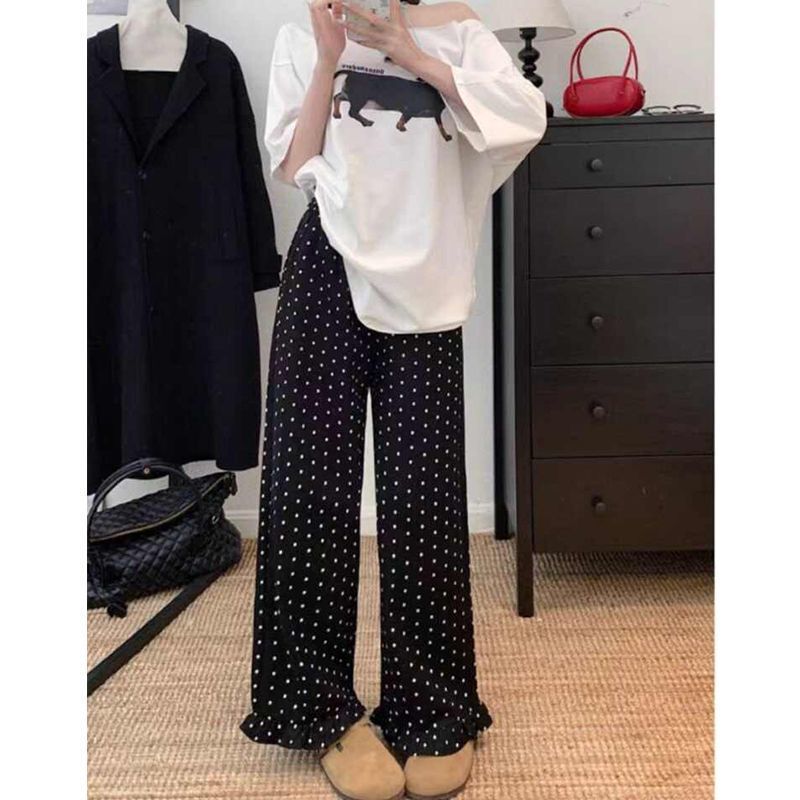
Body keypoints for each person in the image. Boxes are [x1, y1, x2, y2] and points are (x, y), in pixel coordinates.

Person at [240, 2, 547, 798]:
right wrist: (325, 59)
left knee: (424, 498)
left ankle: (434, 708)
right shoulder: (303, 37)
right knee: (308, 492)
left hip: (426, 280)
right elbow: (292, 164)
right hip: (328, 263)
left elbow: (524, 119)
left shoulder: (460, 33)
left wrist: (413, 54)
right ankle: (319, 710)